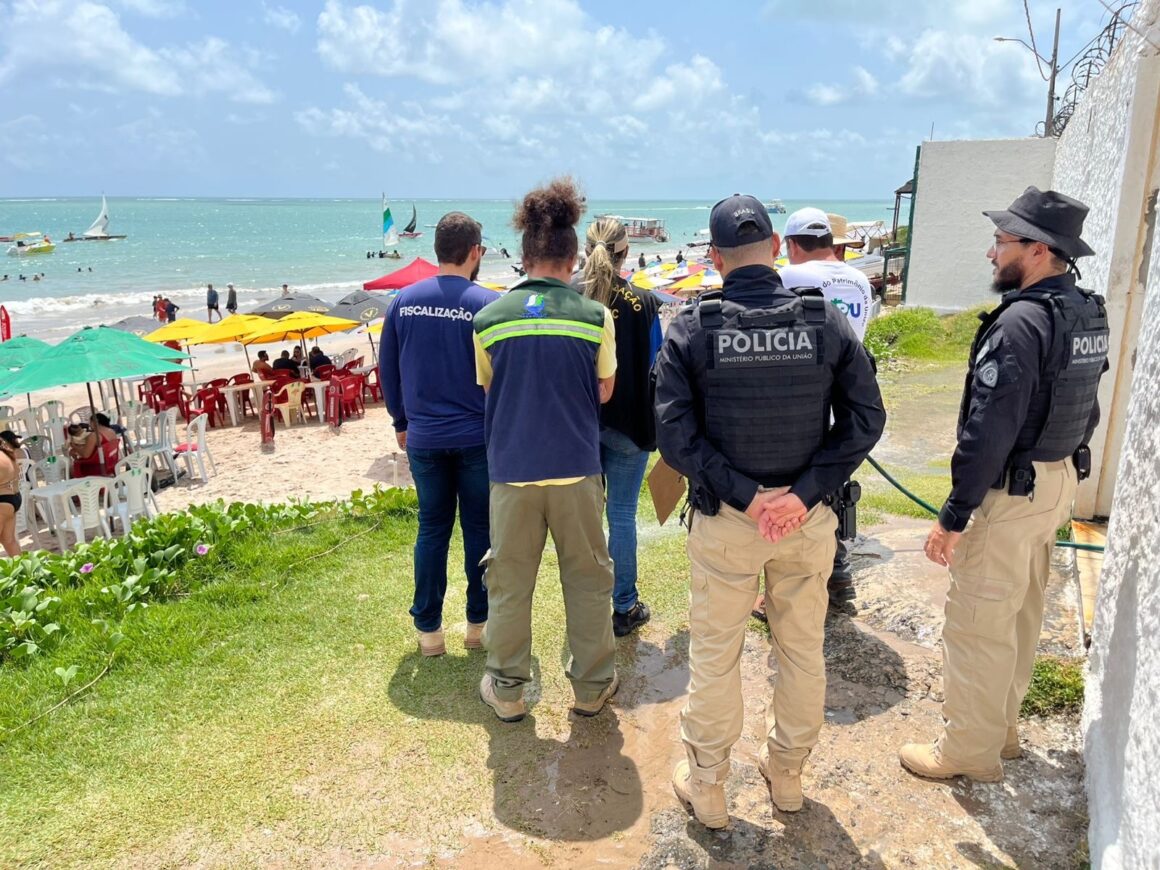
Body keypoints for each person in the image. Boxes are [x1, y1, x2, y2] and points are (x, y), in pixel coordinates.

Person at [653, 194, 885, 827]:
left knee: (716, 652)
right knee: (801, 649)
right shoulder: (825, 321)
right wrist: (802, 494)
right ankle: (786, 776)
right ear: (777, 252)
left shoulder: (693, 326)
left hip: (730, 522)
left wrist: (749, 497)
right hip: (804, 522)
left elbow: (675, 438)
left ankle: (709, 786)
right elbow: (866, 419)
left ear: (714, 257)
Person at [900, 187, 1109, 782]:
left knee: (977, 624)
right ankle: (1003, 732)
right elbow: (1085, 406)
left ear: (1039, 250)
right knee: (1019, 613)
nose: (992, 254)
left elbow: (989, 430)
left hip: (1013, 492)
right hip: (1057, 480)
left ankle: (968, 752)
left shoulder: (1020, 323)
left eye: (1001, 242)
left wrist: (954, 515)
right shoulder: (1084, 311)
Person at [472, 177, 619, 723]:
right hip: (577, 467)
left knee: (510, 584)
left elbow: (489, 389)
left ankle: (508, 690)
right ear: (572, 257)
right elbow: (605, 389)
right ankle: (590, 686)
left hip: (511, 472)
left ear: (526, 255)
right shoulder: (594, 317)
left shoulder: (486, 321)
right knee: (587, 580)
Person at [380, 212, 500, 657]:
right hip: (475, 436)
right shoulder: (488, 303)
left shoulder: (403, 302)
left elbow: (387, 370)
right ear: (474, 252)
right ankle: (477, 624)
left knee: (431, 530)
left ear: (436, 251)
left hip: (425, 437)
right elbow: (500, 375)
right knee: (479, 531)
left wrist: (400, 421)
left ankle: (429, 631)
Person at [767, 208, 875, 611]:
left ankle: (807, 580)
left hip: (804, 404)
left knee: (799, 496)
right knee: (832, 489)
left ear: (791, 245)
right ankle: (840, 573)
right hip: (846, 401)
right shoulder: (861, 281)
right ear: (831, 241)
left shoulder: (791, 277)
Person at [573, 217, 662, 637]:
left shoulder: (572, 300)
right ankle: (624, 605)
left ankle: (588, 605)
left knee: (585, 519)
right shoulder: (645, 303)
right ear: (626, 252)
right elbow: (656, 366)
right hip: (631, 423)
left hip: (579, 425)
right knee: (621, 516)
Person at [0, 431, 24, 557]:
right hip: (13, 497)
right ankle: (24, 572)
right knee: (8, 541)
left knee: (8, 541)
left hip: (2, 501)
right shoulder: (7, 453)